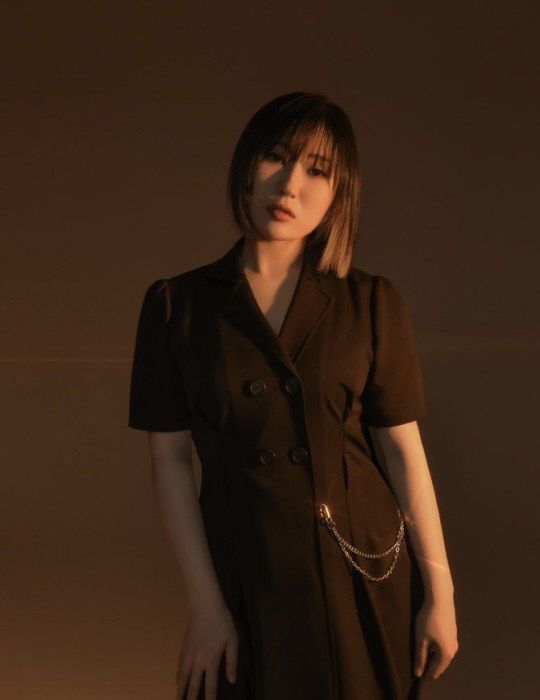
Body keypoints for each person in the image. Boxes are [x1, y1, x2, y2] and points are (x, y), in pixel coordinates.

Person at [128, 91, 459, 700]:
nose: (289, 185)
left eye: (317, 170)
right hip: (242, 576)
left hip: (361, 573)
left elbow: (402, 451)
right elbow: (169, 461)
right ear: (246, 164)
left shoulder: (371, 302)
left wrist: (440, 591)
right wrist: (205, 604)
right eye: (276, 158)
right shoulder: (176, 306)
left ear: (339, 194)